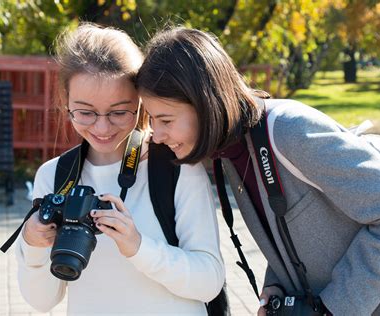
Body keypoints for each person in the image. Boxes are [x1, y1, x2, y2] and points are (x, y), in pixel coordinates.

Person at [136, 27, 380, 316]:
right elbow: (293, 231)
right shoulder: (233, 149)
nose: (158, 134)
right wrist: (276, 288)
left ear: (208, 103)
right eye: (152, 119)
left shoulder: (290, 132)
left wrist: (332, 308)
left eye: (165, 120)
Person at [16, 23, 224, 315]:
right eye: (86, 112)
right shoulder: (54, 176)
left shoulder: (175, 167)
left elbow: (209, 282)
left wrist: (139, 247)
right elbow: (41, 301)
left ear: (140, 103)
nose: (102, 127)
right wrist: (32, 245)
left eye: (118, 112)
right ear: (66, 103)